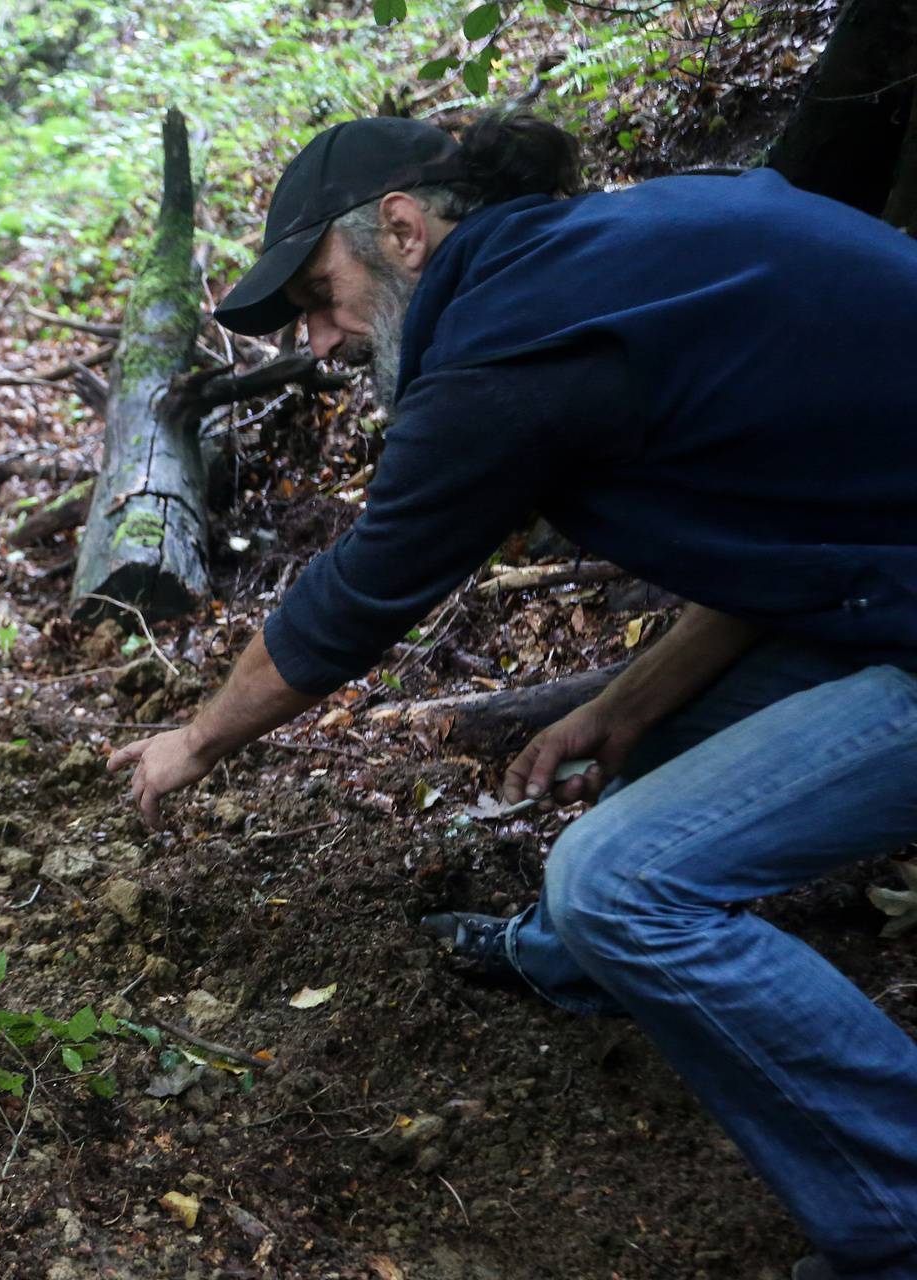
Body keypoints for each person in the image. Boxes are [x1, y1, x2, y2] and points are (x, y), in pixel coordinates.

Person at [105, 110, 917, 1280]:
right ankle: (572, 960)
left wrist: (194, 736)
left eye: (320, 296)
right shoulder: (610, 256)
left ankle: (894, 1213)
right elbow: (800, 532)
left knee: (625, 880)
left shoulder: (506, 351)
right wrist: (631, 699)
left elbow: (352, 602)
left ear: (403, 228)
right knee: (662, 746)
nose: (322, 341)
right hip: (885, 587)